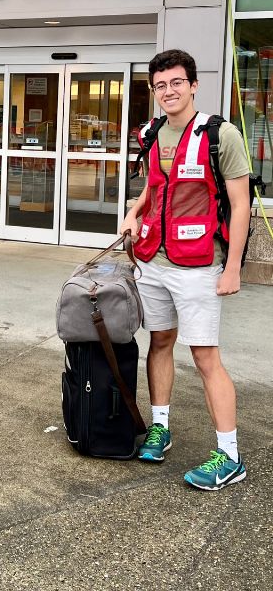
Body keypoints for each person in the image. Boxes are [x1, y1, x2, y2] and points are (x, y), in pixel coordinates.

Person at [121, 49, 251, 491]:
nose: (169, 91)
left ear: (193, 84)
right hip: (153, 259)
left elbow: (240, 205)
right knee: (159, 342)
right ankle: (160, 427)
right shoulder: (154, 132)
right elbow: (154, 186)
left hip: (199, 266)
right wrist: (134, 212)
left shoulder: (221, 135)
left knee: (204, 356)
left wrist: (233, 267)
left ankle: (230, 456)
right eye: (161, 85)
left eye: (177, 82)